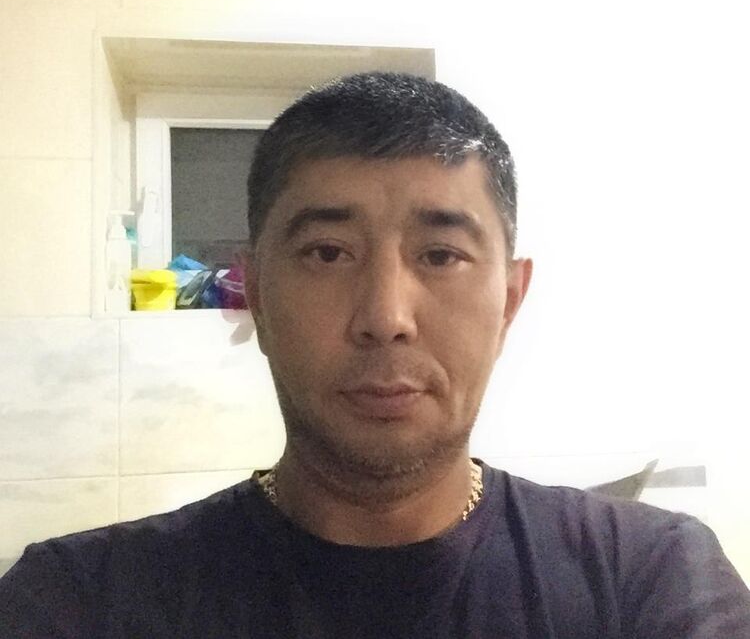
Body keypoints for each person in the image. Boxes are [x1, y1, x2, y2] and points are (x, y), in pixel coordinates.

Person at [1, 72, 749, 638]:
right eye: (328, 253)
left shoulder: (647, 578)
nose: (386, 318)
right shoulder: (81, 600)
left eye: (441, 255)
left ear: (509, 300)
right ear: (255, 294)